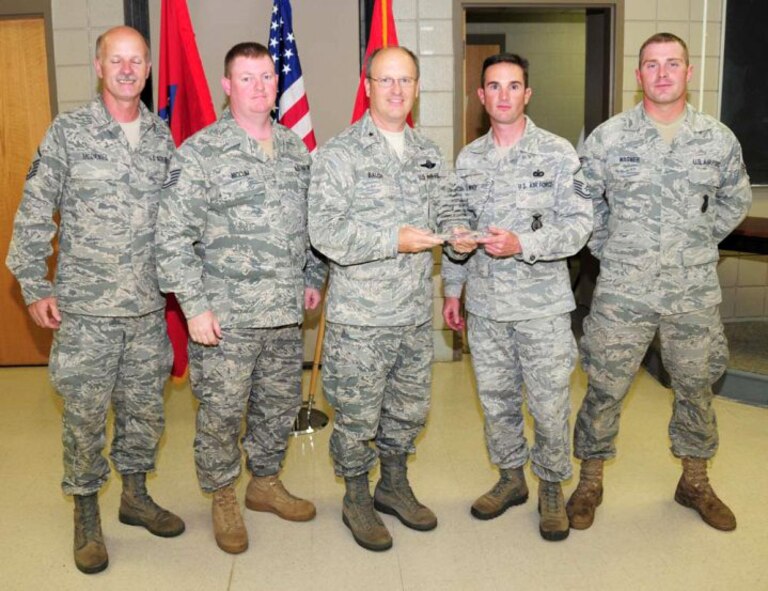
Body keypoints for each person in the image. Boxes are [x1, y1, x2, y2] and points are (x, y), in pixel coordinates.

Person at [6, 26, 184, 574]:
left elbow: (178, 225)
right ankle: (86, 512)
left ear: (148, 69)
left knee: (144, 414)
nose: (128, 70)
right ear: (99, 67)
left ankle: (134, 496)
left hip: (147, 311)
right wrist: (34, 284)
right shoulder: (69, 133)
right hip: (86, 312)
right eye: (117, 60)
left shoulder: (162, 139)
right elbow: (35, 211)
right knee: (84, 417)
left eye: (137, 61)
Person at [568, 33, 752, 532]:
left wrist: (695, 241)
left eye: (673, 64)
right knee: (604, 386)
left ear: (689, 73)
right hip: (624, 290)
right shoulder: (608, 138)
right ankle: (589, 480)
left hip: (691, 291)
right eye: (652, 64)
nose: (663, 73)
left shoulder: (717, 139)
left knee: (696, 387)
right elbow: (586, 204)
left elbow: (735, 200)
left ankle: (694, 480)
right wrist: (614, 247)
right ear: (639, 75)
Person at [155, 42, 326, 555]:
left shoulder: (297, 151)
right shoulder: (200, 152)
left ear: (278, 84)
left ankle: (264, 482)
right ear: (226, 86)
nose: (259, 87)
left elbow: (312, 226)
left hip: (282, 315)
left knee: (277, 409)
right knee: (222, 413)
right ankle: (223, 492)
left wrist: (313, 273)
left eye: (266, 77)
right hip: (224, 319)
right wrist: (195, 307)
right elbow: (171, 238)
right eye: (246, 78)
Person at [308, 46, 466, 552]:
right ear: (368, 85)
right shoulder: (339, 154)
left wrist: (458, 232)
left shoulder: (429, 152)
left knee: (407, 410)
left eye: (406, 80)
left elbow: (445, 209)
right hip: (361, 319)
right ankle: (356, 495)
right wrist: (392, 240)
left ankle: (393, 486)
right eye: (386, 80)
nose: (396, 90)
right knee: (356, 413)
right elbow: (325, 232)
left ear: (417, 87)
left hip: (414, 316)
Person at [441, 53, 592, 541]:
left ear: (527, 94)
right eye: (493, 86)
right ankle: (510, 478)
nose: (503, 95)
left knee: (549, 403)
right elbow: (455, 226)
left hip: (542, 309)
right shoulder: (468, 159)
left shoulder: (558, 154)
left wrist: (523, 244)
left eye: (513, 86)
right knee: (497, 400)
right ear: (481, 96)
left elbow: (579, 227)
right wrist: (452, 282)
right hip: (485, 307)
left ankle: (551, 486)